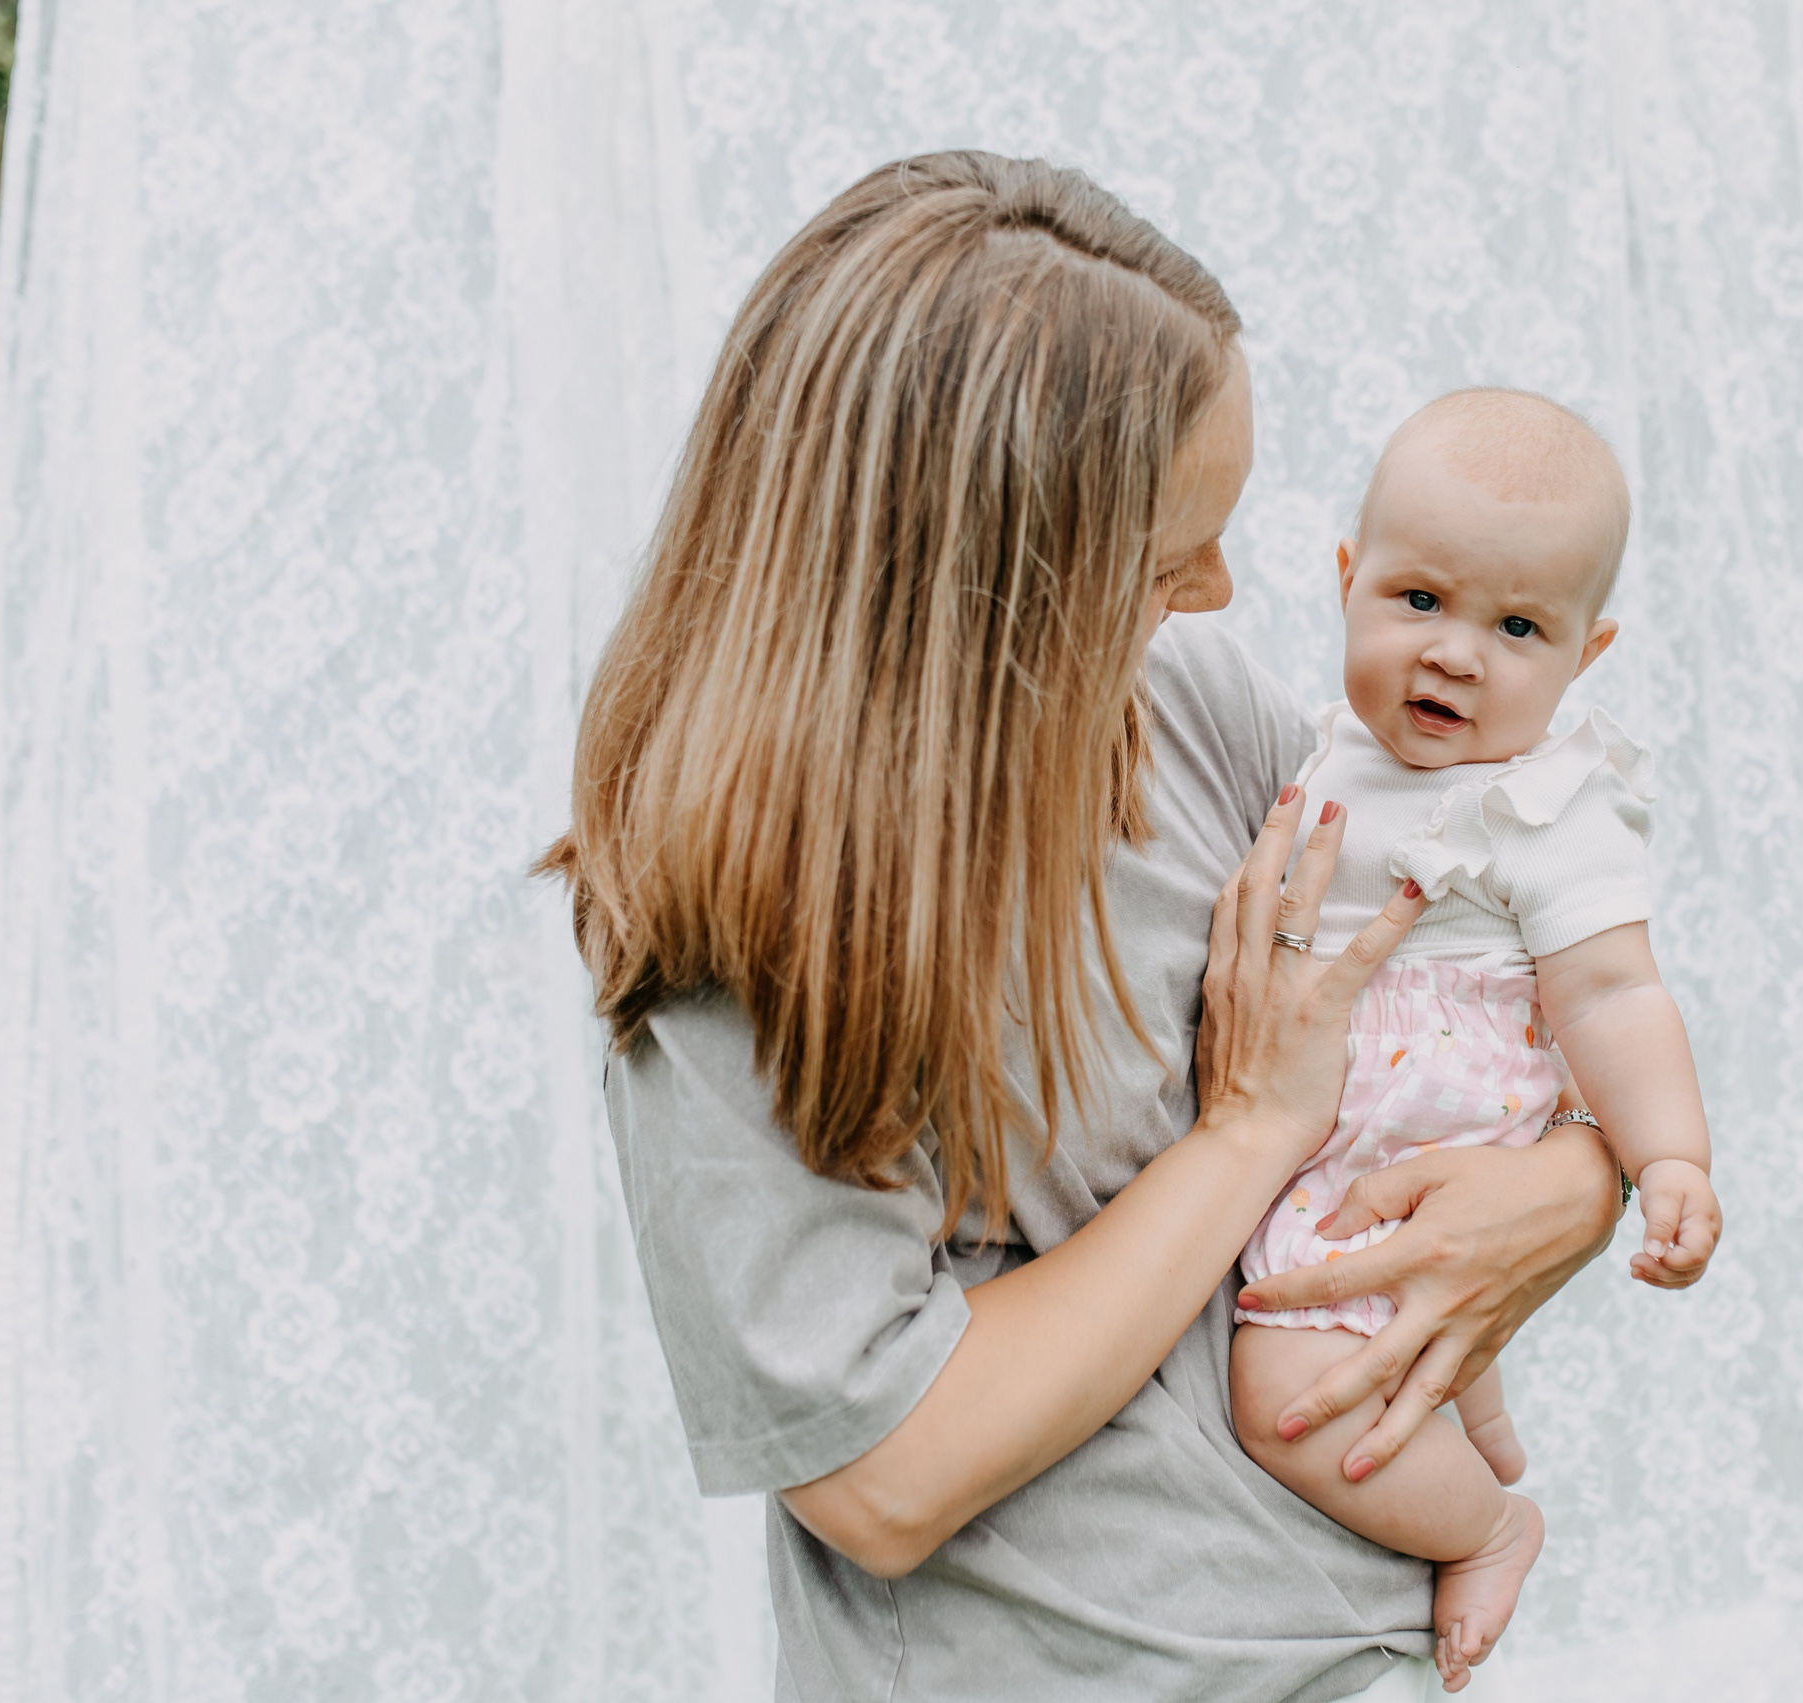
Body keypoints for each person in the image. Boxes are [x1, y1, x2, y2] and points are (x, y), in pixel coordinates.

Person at [542, 152, 1624, 1703]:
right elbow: (884, 1476)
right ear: (976, 589)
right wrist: (1247, 1137)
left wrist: (1581, 1182)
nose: (1217, 589)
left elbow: (1525, 950)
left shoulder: (1184, 715)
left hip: (1371, 1650)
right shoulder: (734, 939)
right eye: (1164, 547)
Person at [1226, 389, 1721, 1690]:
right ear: (1346, 582)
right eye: (1419, 602)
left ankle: (1492, 1524)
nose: (1456, 654)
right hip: (1328, 1123)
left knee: (1286, 1390)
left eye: (1516, 628)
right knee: (1424, 1360)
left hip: (1427, 1133)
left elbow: (1612, 993)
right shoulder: (1308, 748)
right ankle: (1473, 1448)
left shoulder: (1544, 806)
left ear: (1584, 655)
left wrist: (1666, 1159)